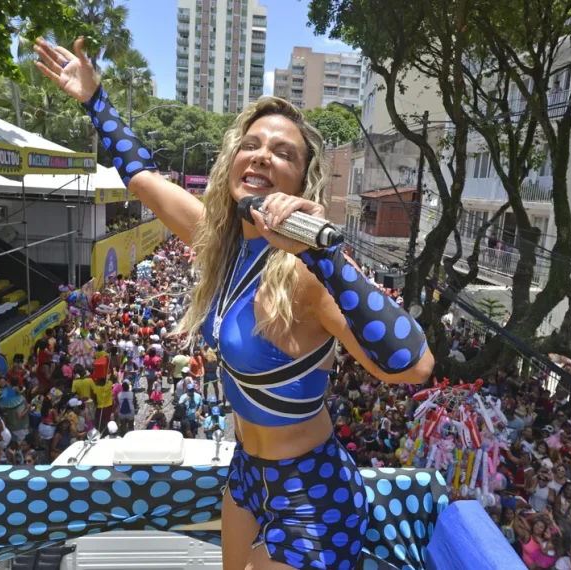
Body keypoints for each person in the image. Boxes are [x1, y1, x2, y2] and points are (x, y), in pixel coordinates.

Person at [35, 36, 434, 570]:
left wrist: (322, 252)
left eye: (283, 152)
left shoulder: (305, 275)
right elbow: (143, 177)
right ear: (232, 161)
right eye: (252, 144)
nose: (263, 155)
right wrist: (94, 99)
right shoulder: (219, 242)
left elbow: (414, 365)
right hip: (247, 470)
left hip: (312, 493)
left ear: (300, 178)